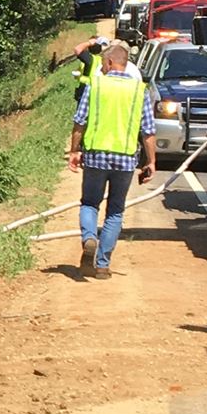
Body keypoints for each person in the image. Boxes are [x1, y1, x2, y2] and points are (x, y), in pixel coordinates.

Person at [68, 40, 155, 276]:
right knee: (115, 211)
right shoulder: (140, 91)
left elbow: (80, 121)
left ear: (108, 62)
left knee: (89, 203)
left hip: (96, 156)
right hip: (125, 160)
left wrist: (75, 151)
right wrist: (151, 161)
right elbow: (148, 131)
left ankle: (88, 237)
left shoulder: (95, 86)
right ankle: (103, 265)